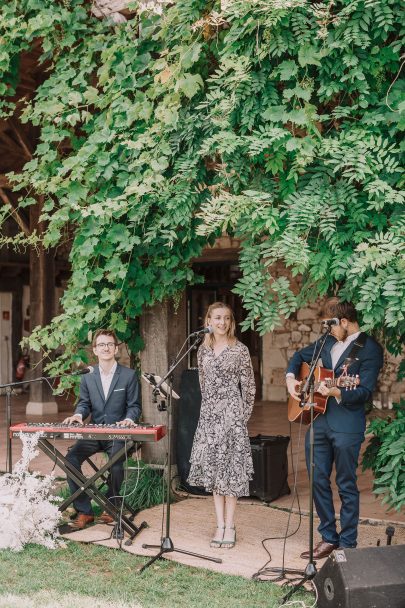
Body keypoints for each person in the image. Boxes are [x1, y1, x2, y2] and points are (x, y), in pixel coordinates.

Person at [286, 297, 383, 559]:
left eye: (331, 326)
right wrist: (291, 380)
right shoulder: (327, 342)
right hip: (318, 421)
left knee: (346, 483)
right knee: (317, 479)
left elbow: (364, 391)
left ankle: (348, 543)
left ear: (343, 322)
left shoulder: (370, 348)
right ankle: (328, 537)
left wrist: (336, 391)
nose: (328, 332)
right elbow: (298, 357)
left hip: (347, 425)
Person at [187, 302, 256, 549]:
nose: (222, 322)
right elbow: (203, 385)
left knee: (232, 472)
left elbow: (249, 387)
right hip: (209, 418)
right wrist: (209, 413)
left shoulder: (240, 350)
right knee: (216, 473)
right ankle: (219, 524)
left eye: (226, 318)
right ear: (208, 321)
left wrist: (241, 417)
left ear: (231, 322)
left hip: (233, 417)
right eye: (217, 318)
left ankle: (231, 524)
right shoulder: (202, 351)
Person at [63, 329, 141, 529]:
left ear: (116, 348)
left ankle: (111, 506)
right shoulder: (88, 376)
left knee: (115, 464)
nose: (106, 348)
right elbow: (84, 404)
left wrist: (129, 420)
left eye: (109, 344)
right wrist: (78, 415)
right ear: (95, 350)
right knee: (70, 459)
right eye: (101, 345)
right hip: (95, 432)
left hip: (118, 434)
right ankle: (85, 510)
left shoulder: (129, 375)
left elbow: (134, 406)